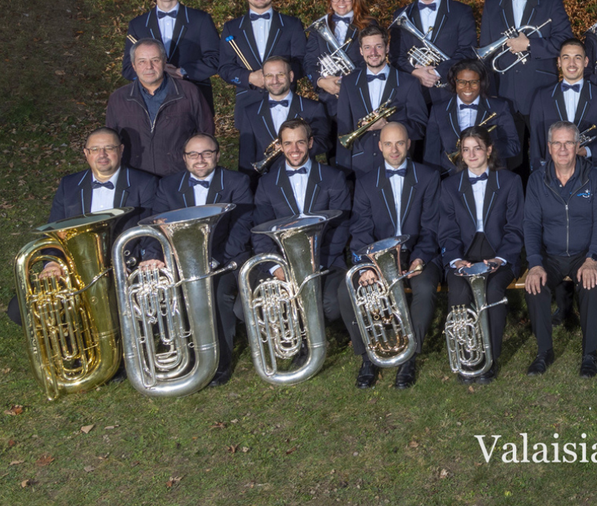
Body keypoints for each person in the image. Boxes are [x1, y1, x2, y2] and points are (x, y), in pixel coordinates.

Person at [7, 127, 161, 326]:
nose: (102, 155)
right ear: (86, 153)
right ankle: (75, 347)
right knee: (19, 309)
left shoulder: (145, 183)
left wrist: (150, 258)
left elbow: (153, 226)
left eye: (109, 148)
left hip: (126, 268)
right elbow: (54, 231)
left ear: (121, 150)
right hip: (77, 270)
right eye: (95, 149)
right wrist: (52, 263)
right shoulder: (69, 185)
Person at [251, 118, 355, 380]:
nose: (294, 149)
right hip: (283, 265)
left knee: (331, 305)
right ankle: (300, 344)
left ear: (310, 143)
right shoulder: (266, 183)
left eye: (300, 142)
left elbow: (341, 226)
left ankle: (332, 334)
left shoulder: (333, 177)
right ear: (280, 146)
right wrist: (276, 268)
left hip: (325, 260)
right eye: (288, 143)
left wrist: (316, 263)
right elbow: (260, 230)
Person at [150, 133, 254, 387]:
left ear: (217, 155)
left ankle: (220, 362)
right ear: (184, 158)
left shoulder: (236, 181)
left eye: (207, 153)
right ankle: (182, 357)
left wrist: (213, 262)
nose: (200, 159)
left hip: (226, 259)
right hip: (181, 260)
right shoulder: (168, 185)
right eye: (193, 154)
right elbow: (157, 225)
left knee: (216, 295)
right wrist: (158, 256)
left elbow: (241, 227)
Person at [348, 123, 443, 389]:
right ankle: (370, 354)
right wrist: (369, 264)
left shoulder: (428, 177)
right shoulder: (366, 182)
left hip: (419, 254)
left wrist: (420, 258)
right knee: (354, 291)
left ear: (408, 144)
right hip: (378, 257)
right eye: (388, 144)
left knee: (424, 289)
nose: (394, 149)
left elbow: (432, 225)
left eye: (399, 143)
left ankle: (409, 355)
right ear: (379, 147)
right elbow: (360, 230)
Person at [521, 122, 597, 377]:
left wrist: (592, 258)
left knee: (591, 286)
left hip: (583, 255)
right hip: (549, 256)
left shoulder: (594, 176)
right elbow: (530, 225)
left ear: (578, 147)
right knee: (535, 286)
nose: (563, 149)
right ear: (549, 148)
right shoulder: (536, 180)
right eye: (557, 144)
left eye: (569, 143)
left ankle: (589, 355)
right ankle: (544, 351)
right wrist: (535, 263)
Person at [436, 128, 525, 386]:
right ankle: (468, 357)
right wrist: (456, 260)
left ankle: (490, 359)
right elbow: (448, 231)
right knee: (459, 293)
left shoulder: (509, 181)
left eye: (477, 148)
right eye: (466, 149)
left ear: (488, 150)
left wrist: (501, 258)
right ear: (461, 154)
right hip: (464, 255)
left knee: (493, 291)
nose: (472, 154)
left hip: (499, 255)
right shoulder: (450, 186)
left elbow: (515, 227)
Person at [478, 0, 571, 161]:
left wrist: (529, 44)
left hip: (541, 91)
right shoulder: (492, 3)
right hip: (503, 93)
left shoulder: (551, 1)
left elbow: (565, 44)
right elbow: (486, 51)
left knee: (543, 156)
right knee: (508, 160)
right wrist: (488, 94)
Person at [121, 0, 221, 114]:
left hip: (193, 99)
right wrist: (156, 72)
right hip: (150, 103)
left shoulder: (200, 19)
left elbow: (216, 58)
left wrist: (183, 72)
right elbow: (128, 68)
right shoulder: (138, 24)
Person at [106, 39, 215, 177]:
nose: (149, 66)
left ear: (164, 61)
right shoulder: (119, 98)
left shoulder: (189, 92)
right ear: (133, 65)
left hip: (179, 178)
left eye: (155, 60)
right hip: (135, 179)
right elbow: (110, 142)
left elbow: (206, 134)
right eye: (142, 61)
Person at [333, 23, 429, 176]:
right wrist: (343, 171)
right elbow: (344, 130)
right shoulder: (348, 83)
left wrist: (387, 125)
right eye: (367, 47)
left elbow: (419, 128)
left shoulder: (408, 82)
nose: (373, 52)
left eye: (378, 46)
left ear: (387, 48)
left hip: (398, 164)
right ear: (361, 51)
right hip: (360, 166)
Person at [390, 0, 477, 101]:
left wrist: (436, 72)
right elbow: (395, 57)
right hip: (414, 94)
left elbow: (467, 51)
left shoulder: (461, 12)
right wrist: (414, 72)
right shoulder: (400, 15)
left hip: (450, 92)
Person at [528, 39, 597, 172]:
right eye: (566, 58)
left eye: (577, 58)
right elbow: (536, 140)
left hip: (590, 172)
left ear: (586, 62)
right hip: (551, 172)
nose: (572, 63)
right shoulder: (542, 97)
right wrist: (537, 174)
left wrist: (587, 150)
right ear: (559, 62)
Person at [218, 0, 307, 100]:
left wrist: (279, 75)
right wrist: (249, 77)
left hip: (285, 98)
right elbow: (224, 68)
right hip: (247, 103)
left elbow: (303, 62)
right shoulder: (232, 28)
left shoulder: (292, 25)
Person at [233, 55, 332, 176]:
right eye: (269, 75)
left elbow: (323, 143)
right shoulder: (250, 112)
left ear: (291, 76)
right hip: (265, 184)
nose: (275, 80)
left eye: (280, 74)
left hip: (305, 177)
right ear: (263, 78)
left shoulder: (313, 108)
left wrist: (292, 148)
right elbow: (246, 157)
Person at [421, 59, 520, 175]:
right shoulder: (438, 111)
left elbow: (513, 146)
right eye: (462, 82)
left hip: (491, 175)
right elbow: (431, 154)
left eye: (473, 82)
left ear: (481, 82)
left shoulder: (499, 108)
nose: (467, 87)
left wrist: (483, 148)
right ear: (454, 82)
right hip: (450, 178)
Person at [305, 0, 373, 115]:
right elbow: (309, 62)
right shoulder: (318, 28)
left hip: (361, 96)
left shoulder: (369, 25)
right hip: (329, 100)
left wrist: (347, 84)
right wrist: (320, 82)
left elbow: (374, 58)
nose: (341, 1)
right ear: (330, 0)